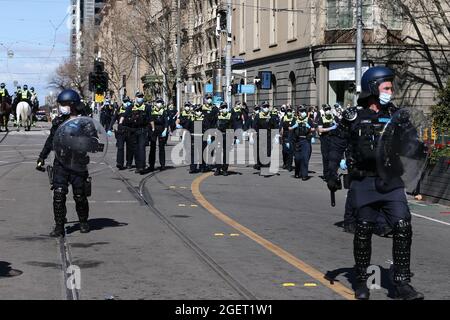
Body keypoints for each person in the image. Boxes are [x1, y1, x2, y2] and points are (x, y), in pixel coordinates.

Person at [327, 66, 425, 300]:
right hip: (364, 181)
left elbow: (411, 142)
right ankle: (362, 281)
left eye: (391, 87)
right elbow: (336, 145)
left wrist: (419, 148)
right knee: (363, 230)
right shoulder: (353, 116)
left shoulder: (398, 116)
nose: (391, 91)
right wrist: (331, 173)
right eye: (387, 87)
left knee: (403, 226)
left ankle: (402, 283)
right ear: (373, 88)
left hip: (391, 182)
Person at [36, 89, 95, 237]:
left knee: (80, 195)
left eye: (64, 104)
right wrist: (42, 156)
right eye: (61, 104)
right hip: (61, 163)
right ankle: (59, 226)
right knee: (58, 195)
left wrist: (82, 143)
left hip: (78, 163)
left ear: (72, 105)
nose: (62, 107)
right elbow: (51, 140)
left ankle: (83, 222)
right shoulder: (58, 122)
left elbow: (94, 142)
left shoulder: (85, 122)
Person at [120, 92, 150, 174]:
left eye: (141, 96)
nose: (140, 98)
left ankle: (142, 166)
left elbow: (150, 119)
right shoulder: (131, 107)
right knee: (136, 149)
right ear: (135, 97)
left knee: (141, 148)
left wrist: (151, 130)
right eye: (139, 96)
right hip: (133, 130)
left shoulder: (147, 107)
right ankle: (137, 166)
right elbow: (124, 116)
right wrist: (120, 124)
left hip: (143, 130)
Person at [108, 96, 134, 170]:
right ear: (123, 102)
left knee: (130, 148)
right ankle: (119, 163)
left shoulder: (132, 109)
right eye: (125, 102)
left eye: (127, 101)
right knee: (120, 147)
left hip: (129, 130)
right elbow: (113, 119)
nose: (126, 103)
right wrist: (109, 128)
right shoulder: (119, 109)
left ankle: (129, 163)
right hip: (121, 131)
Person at [291, 105, 314, 180]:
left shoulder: (308, 120)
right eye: (301, 111)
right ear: (298, 112)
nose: (303, 112)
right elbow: (290, 130)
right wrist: (290, 141)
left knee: (305, 158)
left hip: (305, 141)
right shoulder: (294, 120)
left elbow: (313, 129)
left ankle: (304, 175)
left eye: (304, 111)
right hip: (297, 141)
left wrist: (310, 130)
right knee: (297, 158)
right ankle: (297, 172)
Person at [318, 104, 338, 181]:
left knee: (333, 158)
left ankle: (333, 174)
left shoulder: (335, 118)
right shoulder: (321, 119)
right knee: (326, 158)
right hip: (325, 140)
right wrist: (331, 128)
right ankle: (326, 175)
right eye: (326, 109)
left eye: (329, 109)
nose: (328, 111)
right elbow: (320, 130)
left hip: (333, 140)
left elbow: (339, 127)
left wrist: (336, 124)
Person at [148, 97, 169, 171]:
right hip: (153, 130)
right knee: (152, 147)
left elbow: (166, 122)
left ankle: (162, 165)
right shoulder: (152, 110)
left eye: (160, 102)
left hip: (161, 129)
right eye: (158, 102)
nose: (159, 104)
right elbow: (150, 120)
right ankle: (151, 165)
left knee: (161, 147)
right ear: (155, 103)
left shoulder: (164, 111)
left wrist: (165, 130)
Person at [214, 102, 233, 176]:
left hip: (227, 136)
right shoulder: (218, 116)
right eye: (223, 107)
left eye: (225, 107)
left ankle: (225, 169)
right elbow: (215, 125)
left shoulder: (229, 115)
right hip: (219, 135)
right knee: (218, 153)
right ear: (220, 108)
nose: (224, 109)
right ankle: (218, 169)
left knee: (226, 153)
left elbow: (232, 126)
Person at [280, 106, 295, 171]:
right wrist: (281, 136)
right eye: (288, 111)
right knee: (285, 151)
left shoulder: (294, 119)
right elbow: (281, 128)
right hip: (285, 137)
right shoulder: (283, 118)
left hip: (292, 137)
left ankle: (289, 165)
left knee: (291, 151)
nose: (289, 112)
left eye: (290, 111)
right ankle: (285, 163)